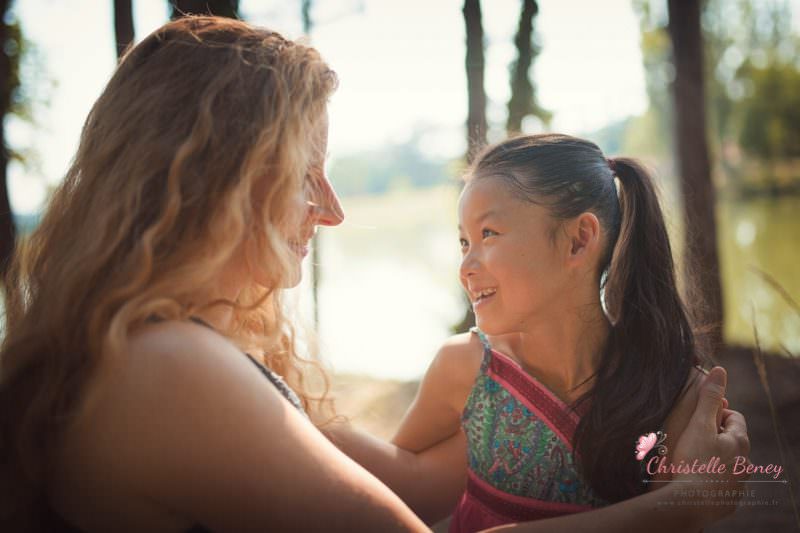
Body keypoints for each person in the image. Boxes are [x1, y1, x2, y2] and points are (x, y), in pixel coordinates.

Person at [0, 16, 749, 533]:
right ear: (213, 179)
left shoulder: (161, 347)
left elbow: (414, 480)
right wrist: (686, 503)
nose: (331, 211)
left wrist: (537, 396)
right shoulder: (169, 369)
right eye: (306, 173)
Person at [361, 134, 740, 531]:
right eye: (463, 242)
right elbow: (393, 493)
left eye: (488, 233)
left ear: (579, 240)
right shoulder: (466, 369)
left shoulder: (673, 394)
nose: (465, 266)